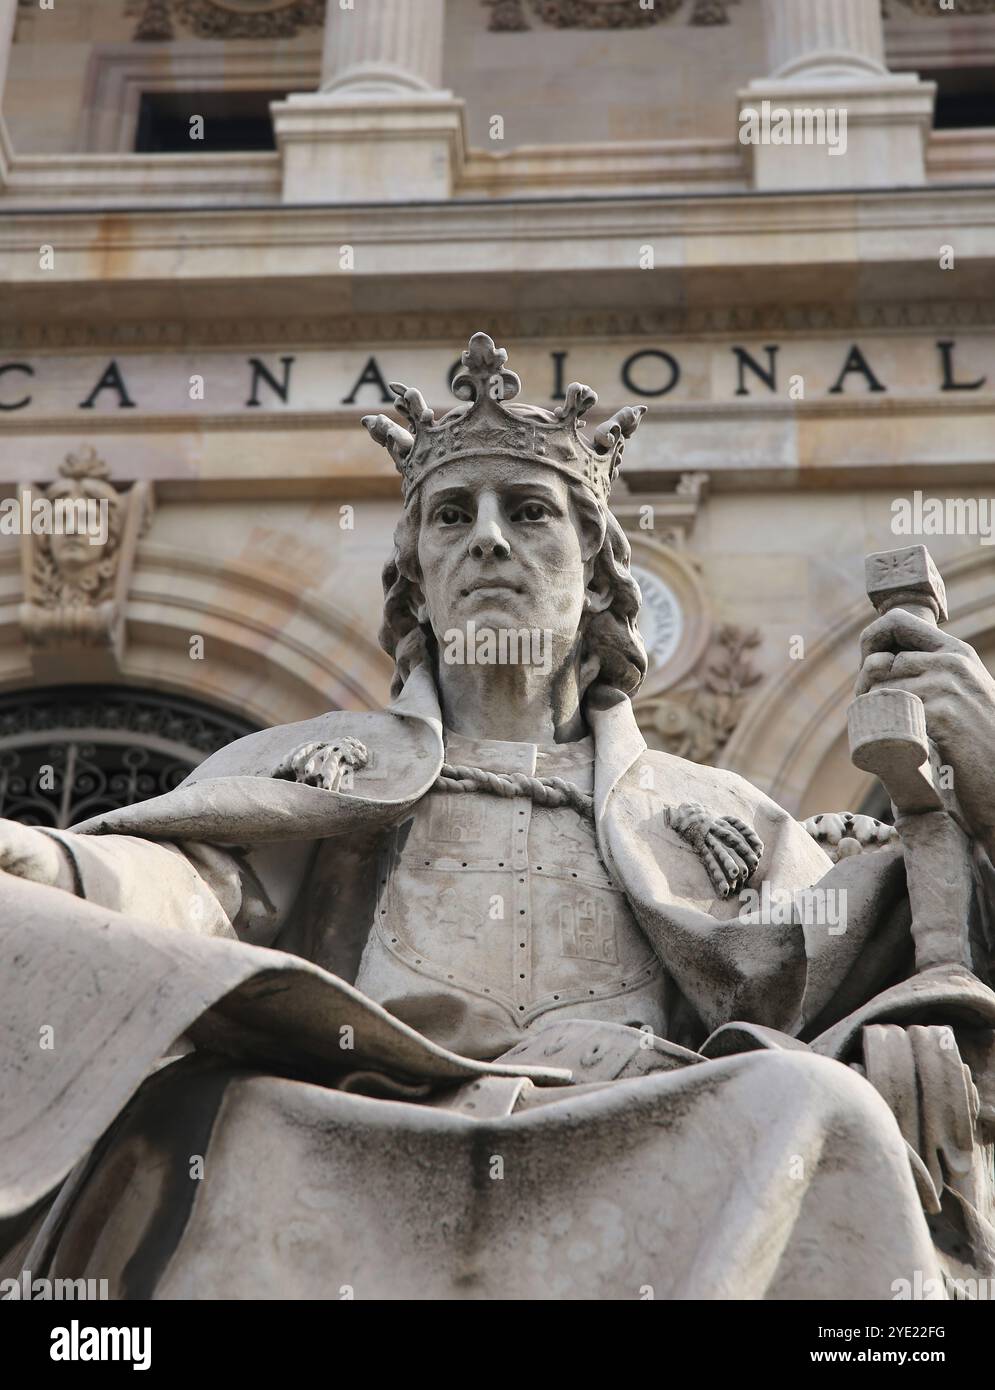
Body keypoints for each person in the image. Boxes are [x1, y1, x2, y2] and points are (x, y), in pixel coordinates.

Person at [2, 334, 993, 1300]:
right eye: (449, 517)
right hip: (366, 1120)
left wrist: (980, 784)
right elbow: (187, 890)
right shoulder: (314, 765)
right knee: (213, 1115)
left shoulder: (709, 806)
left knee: (811, 1103)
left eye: (526, 512)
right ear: (418, 586)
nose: (485, 538)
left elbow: (866, 959)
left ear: (601, 578)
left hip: (642, 1123)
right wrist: (53, 865)